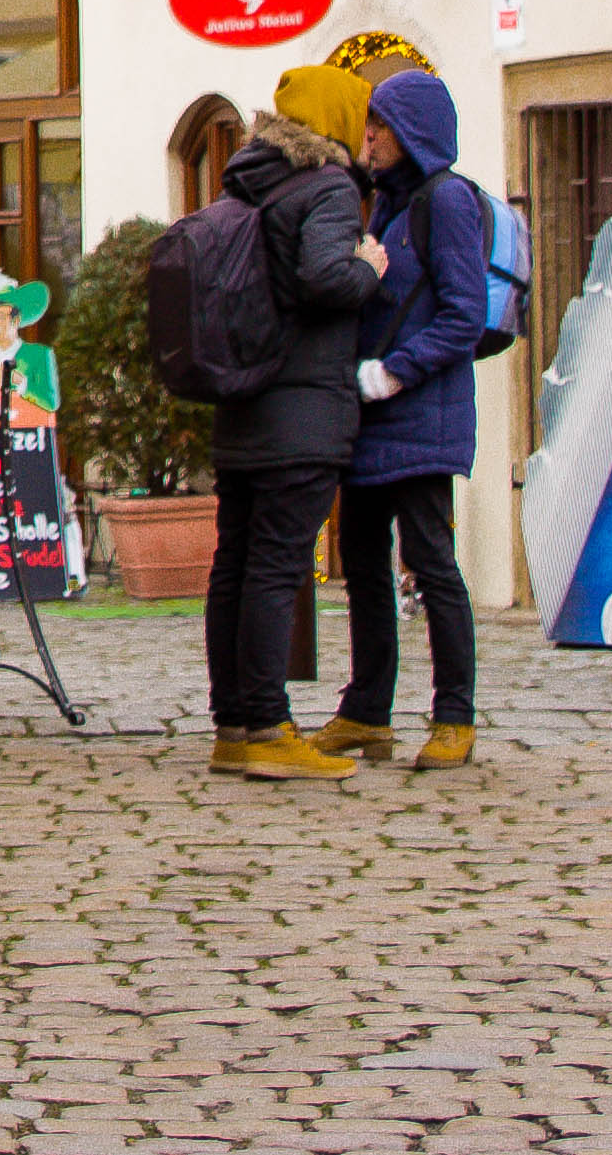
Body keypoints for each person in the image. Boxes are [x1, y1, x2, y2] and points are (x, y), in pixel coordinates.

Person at [203, 62, 383, 781]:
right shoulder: (329, 186)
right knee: (278, 567)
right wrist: (369, 264)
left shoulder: (250, 180)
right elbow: (323, 278)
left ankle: (234, 724)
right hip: (302, 407)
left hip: (244, 402)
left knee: (236, 566)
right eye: (361, 118)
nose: (368, 135)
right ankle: (270, 725)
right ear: (336, 121)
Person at [321, 64, 485, 770]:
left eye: (379, 125)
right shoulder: (385, 201)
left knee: (430, 564)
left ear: (411, 129)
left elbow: (463, 316)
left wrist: (396, 370)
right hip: (373, 417)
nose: (369, 138)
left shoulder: (446, 200)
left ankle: (454, 714)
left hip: (422, 416)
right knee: (362, 564)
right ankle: (367, 709)